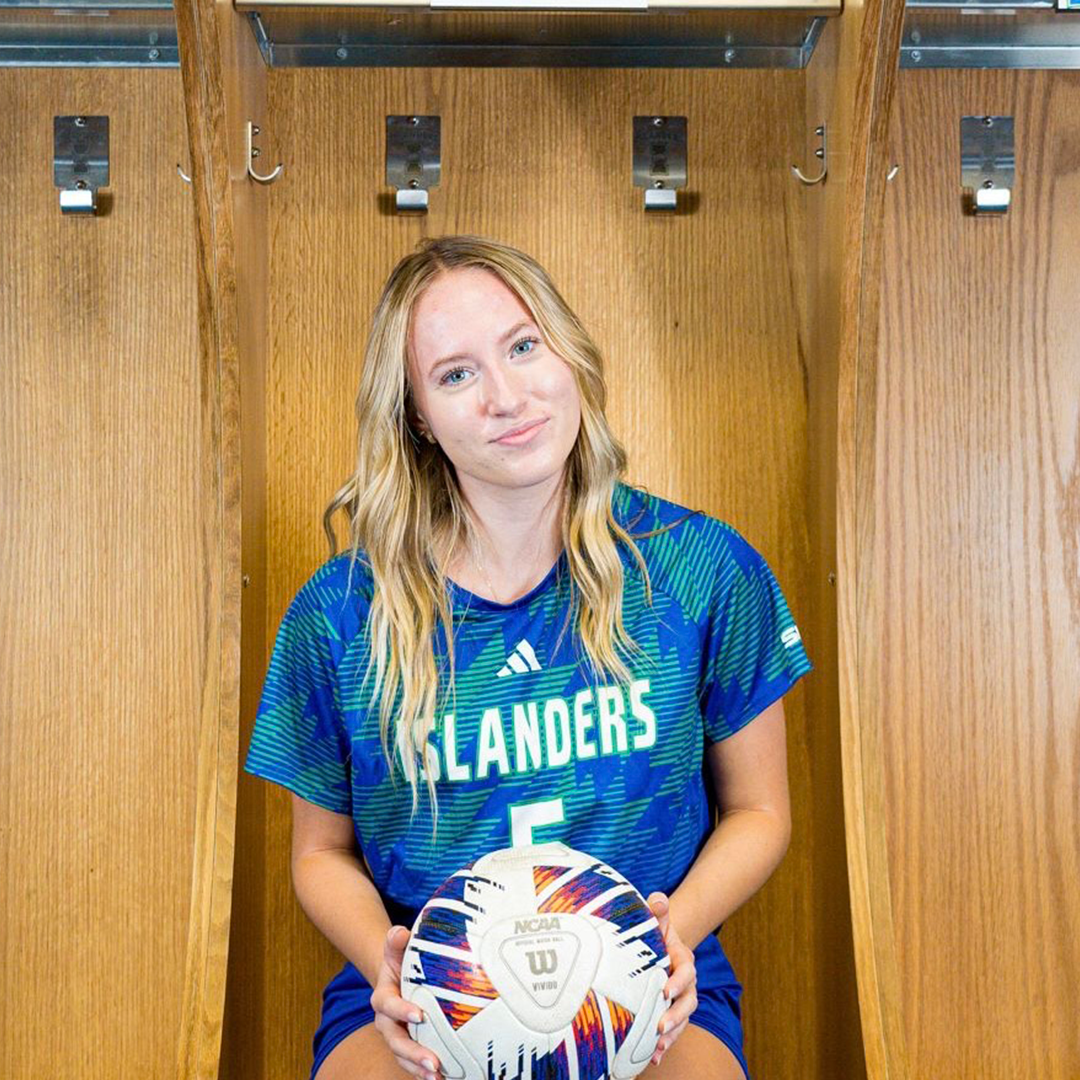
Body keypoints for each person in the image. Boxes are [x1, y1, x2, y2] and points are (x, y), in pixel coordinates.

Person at [244, 235, 813, 1080]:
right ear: (416, 418)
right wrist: (388, 964)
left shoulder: (701, 568)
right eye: (456, 374)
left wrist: (669, 939)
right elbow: (319, 854)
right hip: (435, 986)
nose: (506, 397)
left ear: (568, 353)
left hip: (648, 974)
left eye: (522, 346)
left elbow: (761, 812)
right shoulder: (340, 614)